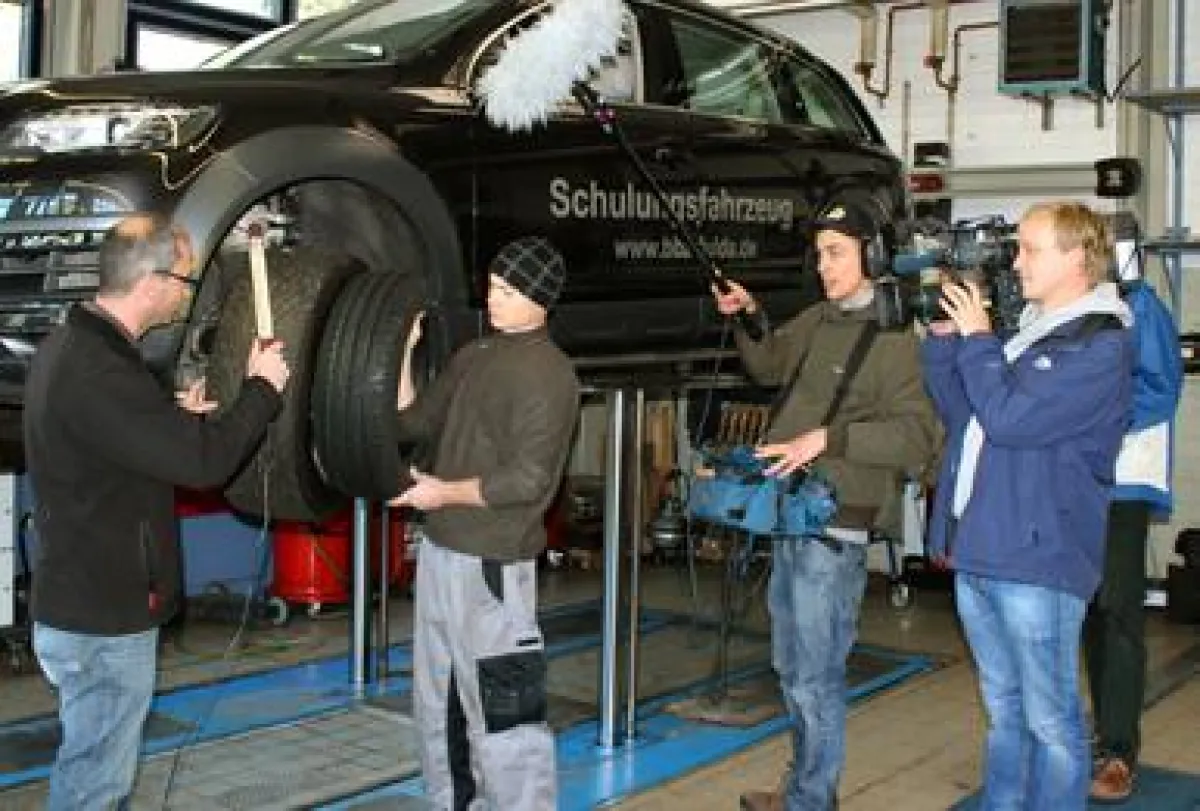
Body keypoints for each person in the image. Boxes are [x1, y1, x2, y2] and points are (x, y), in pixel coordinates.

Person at [24, 214, 291, 810]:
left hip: (76, 598)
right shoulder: (102, 373)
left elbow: (110, 444)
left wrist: (169, 423)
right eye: (184, 280)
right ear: (150, 282)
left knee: (89, 765)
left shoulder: (74, 346)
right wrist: (262, 390)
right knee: (97, 784)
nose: (186, 293)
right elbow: (205, 465)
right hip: (104, 617)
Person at [713, 199, 940, 811]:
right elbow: (767, 362)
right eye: (819, 255)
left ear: (872, 253)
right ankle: (803, 785)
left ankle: (813, 799)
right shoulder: (818, 319)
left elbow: (919, 436)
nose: (824, 266)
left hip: (836, 526)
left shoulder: (897, 341)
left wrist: (829, 440)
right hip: (790, 514)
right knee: (791, 665)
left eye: (836, 253)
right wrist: (750, 315)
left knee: (815, 673)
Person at [922, 201, 1134, 810]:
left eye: (1031, 249)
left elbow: (1012, 420)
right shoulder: (1022, 336)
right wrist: (947, 342)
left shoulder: (1100, 344)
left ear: (1077, 257)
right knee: (1005, 714)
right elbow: (964, 414)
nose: (1016, 263)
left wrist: (981, 339)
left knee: (1051, 721)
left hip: (1038, 560)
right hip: (985, 549)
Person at [391, 235, 580, 811]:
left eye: (506, 289)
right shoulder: (474, 354)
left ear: (540, 297)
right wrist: (402, 350)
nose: (491, 298)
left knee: (506, 716)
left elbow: (529, 480)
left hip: (494, 568)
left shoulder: (551, 374)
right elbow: (412, 422)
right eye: (490, 285)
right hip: (442, 553)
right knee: (438, 704)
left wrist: (439, 493)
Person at [1084, 263, 1182, 802]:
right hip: (1076, 482)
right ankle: (1102, 731)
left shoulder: (1141, 308)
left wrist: (1089, 422)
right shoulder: (1066, 306)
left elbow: (1160, 391)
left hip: (1124, 482)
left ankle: (1118, 751)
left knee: (1119, 610)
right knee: (1090, 610)